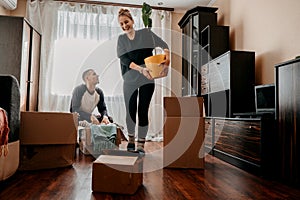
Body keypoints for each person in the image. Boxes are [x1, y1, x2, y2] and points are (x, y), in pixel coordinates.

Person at [117, 8, 170, 153]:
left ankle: (141, 144)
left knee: (142, 111)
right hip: (130, 79)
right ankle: (131, 140)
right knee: (130, 111)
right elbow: (124, 59)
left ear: (132, 21)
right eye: (121, 24)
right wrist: (142, 70)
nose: (124, 26)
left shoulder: (146, 34)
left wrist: (167, 59)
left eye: (126, 22)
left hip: (148, 79)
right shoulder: (121, 39)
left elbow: (164, 44)